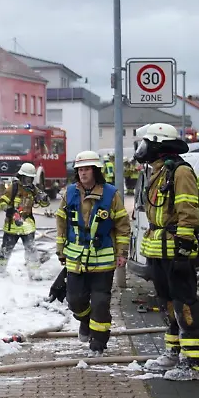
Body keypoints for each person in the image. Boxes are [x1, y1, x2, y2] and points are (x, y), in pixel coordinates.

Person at [136, 123, 199, 381]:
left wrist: (183, 248)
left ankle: (194, 364)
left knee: (184, 304)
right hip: (159, 250)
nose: (143, 148)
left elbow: (188, 212)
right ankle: (174, 352)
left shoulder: (181, 172)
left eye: (147, 143)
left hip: (176, 251)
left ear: (159, 145)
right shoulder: (159, 172)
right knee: (167, 303)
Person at [55, 151, 130, 356]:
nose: (83, 173)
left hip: (102, 259)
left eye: (87, 169)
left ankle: (98, 343)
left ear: (96, 171)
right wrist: (60, 249)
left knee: (100, 303)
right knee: (74, 300)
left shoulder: (111, 194)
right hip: (76, 258)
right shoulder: (69, 193)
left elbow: (123, 226)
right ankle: (85, 322)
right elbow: (61, 222)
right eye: (80, 169)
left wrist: (122, 252)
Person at [0, 163, 50, 276]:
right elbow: (1, 201)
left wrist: (44, 198)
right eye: (26, 178)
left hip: (28, 226)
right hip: (12, 226)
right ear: (21, 177)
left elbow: (44, 204)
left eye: (30, 179)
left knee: (31, 250)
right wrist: (8, 209)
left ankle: (34, 273)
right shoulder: (13, 188)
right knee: (5, 250)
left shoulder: (33, 189)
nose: (28, 181)